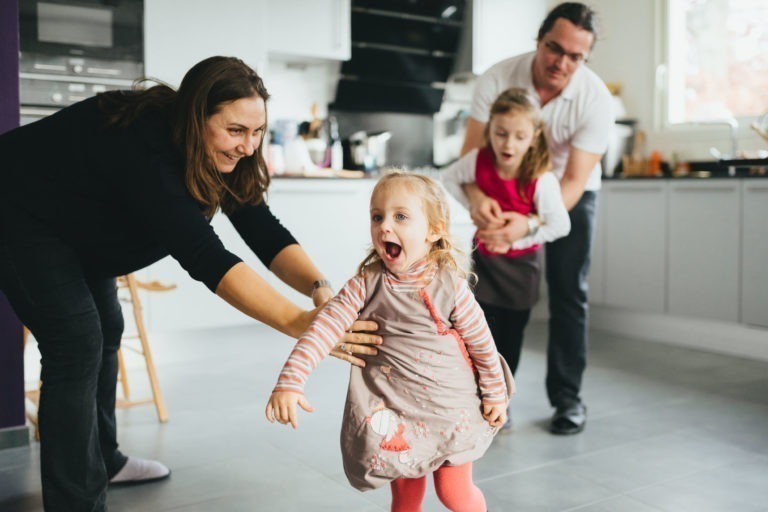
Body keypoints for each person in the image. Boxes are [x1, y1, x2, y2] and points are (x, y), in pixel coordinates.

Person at [0, 56, 379, 511]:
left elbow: (262, 229)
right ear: (196, 117)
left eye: (257, 132)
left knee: (106, 331)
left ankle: (104, 458)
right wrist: (299, 322)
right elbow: (206, 256)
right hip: (19, 212)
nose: (248, 146)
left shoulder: (225, 155)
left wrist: (319, 287)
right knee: (77, 343)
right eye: (236, 130)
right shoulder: (148, 149)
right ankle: (76, 503)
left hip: (78, 226)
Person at [266, 172, 514, 512]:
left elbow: (482, 344)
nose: (385, 226)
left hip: (451, 408)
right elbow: (322, 329)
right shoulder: (364, 285)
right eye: (377, 216)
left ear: (434, 230)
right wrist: (291, 382)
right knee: (405, 498)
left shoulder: (449, 285)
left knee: (454, 494)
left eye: (400, 216)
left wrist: (495, 393)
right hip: (397, 412)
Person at [458, 2, 614, 435]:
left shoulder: (596, 98)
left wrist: (528, 223)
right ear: (538, 39)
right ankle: (490, 397)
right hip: (503, 187)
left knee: (569, 291)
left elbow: (575, 179)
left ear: (584, 59)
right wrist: (476, 201)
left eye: (574, 56)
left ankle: (567, 399)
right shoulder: (497, 78)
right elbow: (469, 159)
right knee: (493, 298)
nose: (560, 62)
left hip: (567, 193)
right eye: (553, 48)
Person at [442, 88, 571, 431]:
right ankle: (478, 396)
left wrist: (526, 229)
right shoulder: (477, 161)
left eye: (519, 136)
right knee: (478, 334)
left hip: (521, 271)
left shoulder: (541, 178)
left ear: (534, 137)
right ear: (489, 132)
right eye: (500, 133)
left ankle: (502, 402)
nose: (508, 144)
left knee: (510, 341)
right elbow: (449, 178)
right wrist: (475, 198)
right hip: (484, 265)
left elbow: (561, 224)